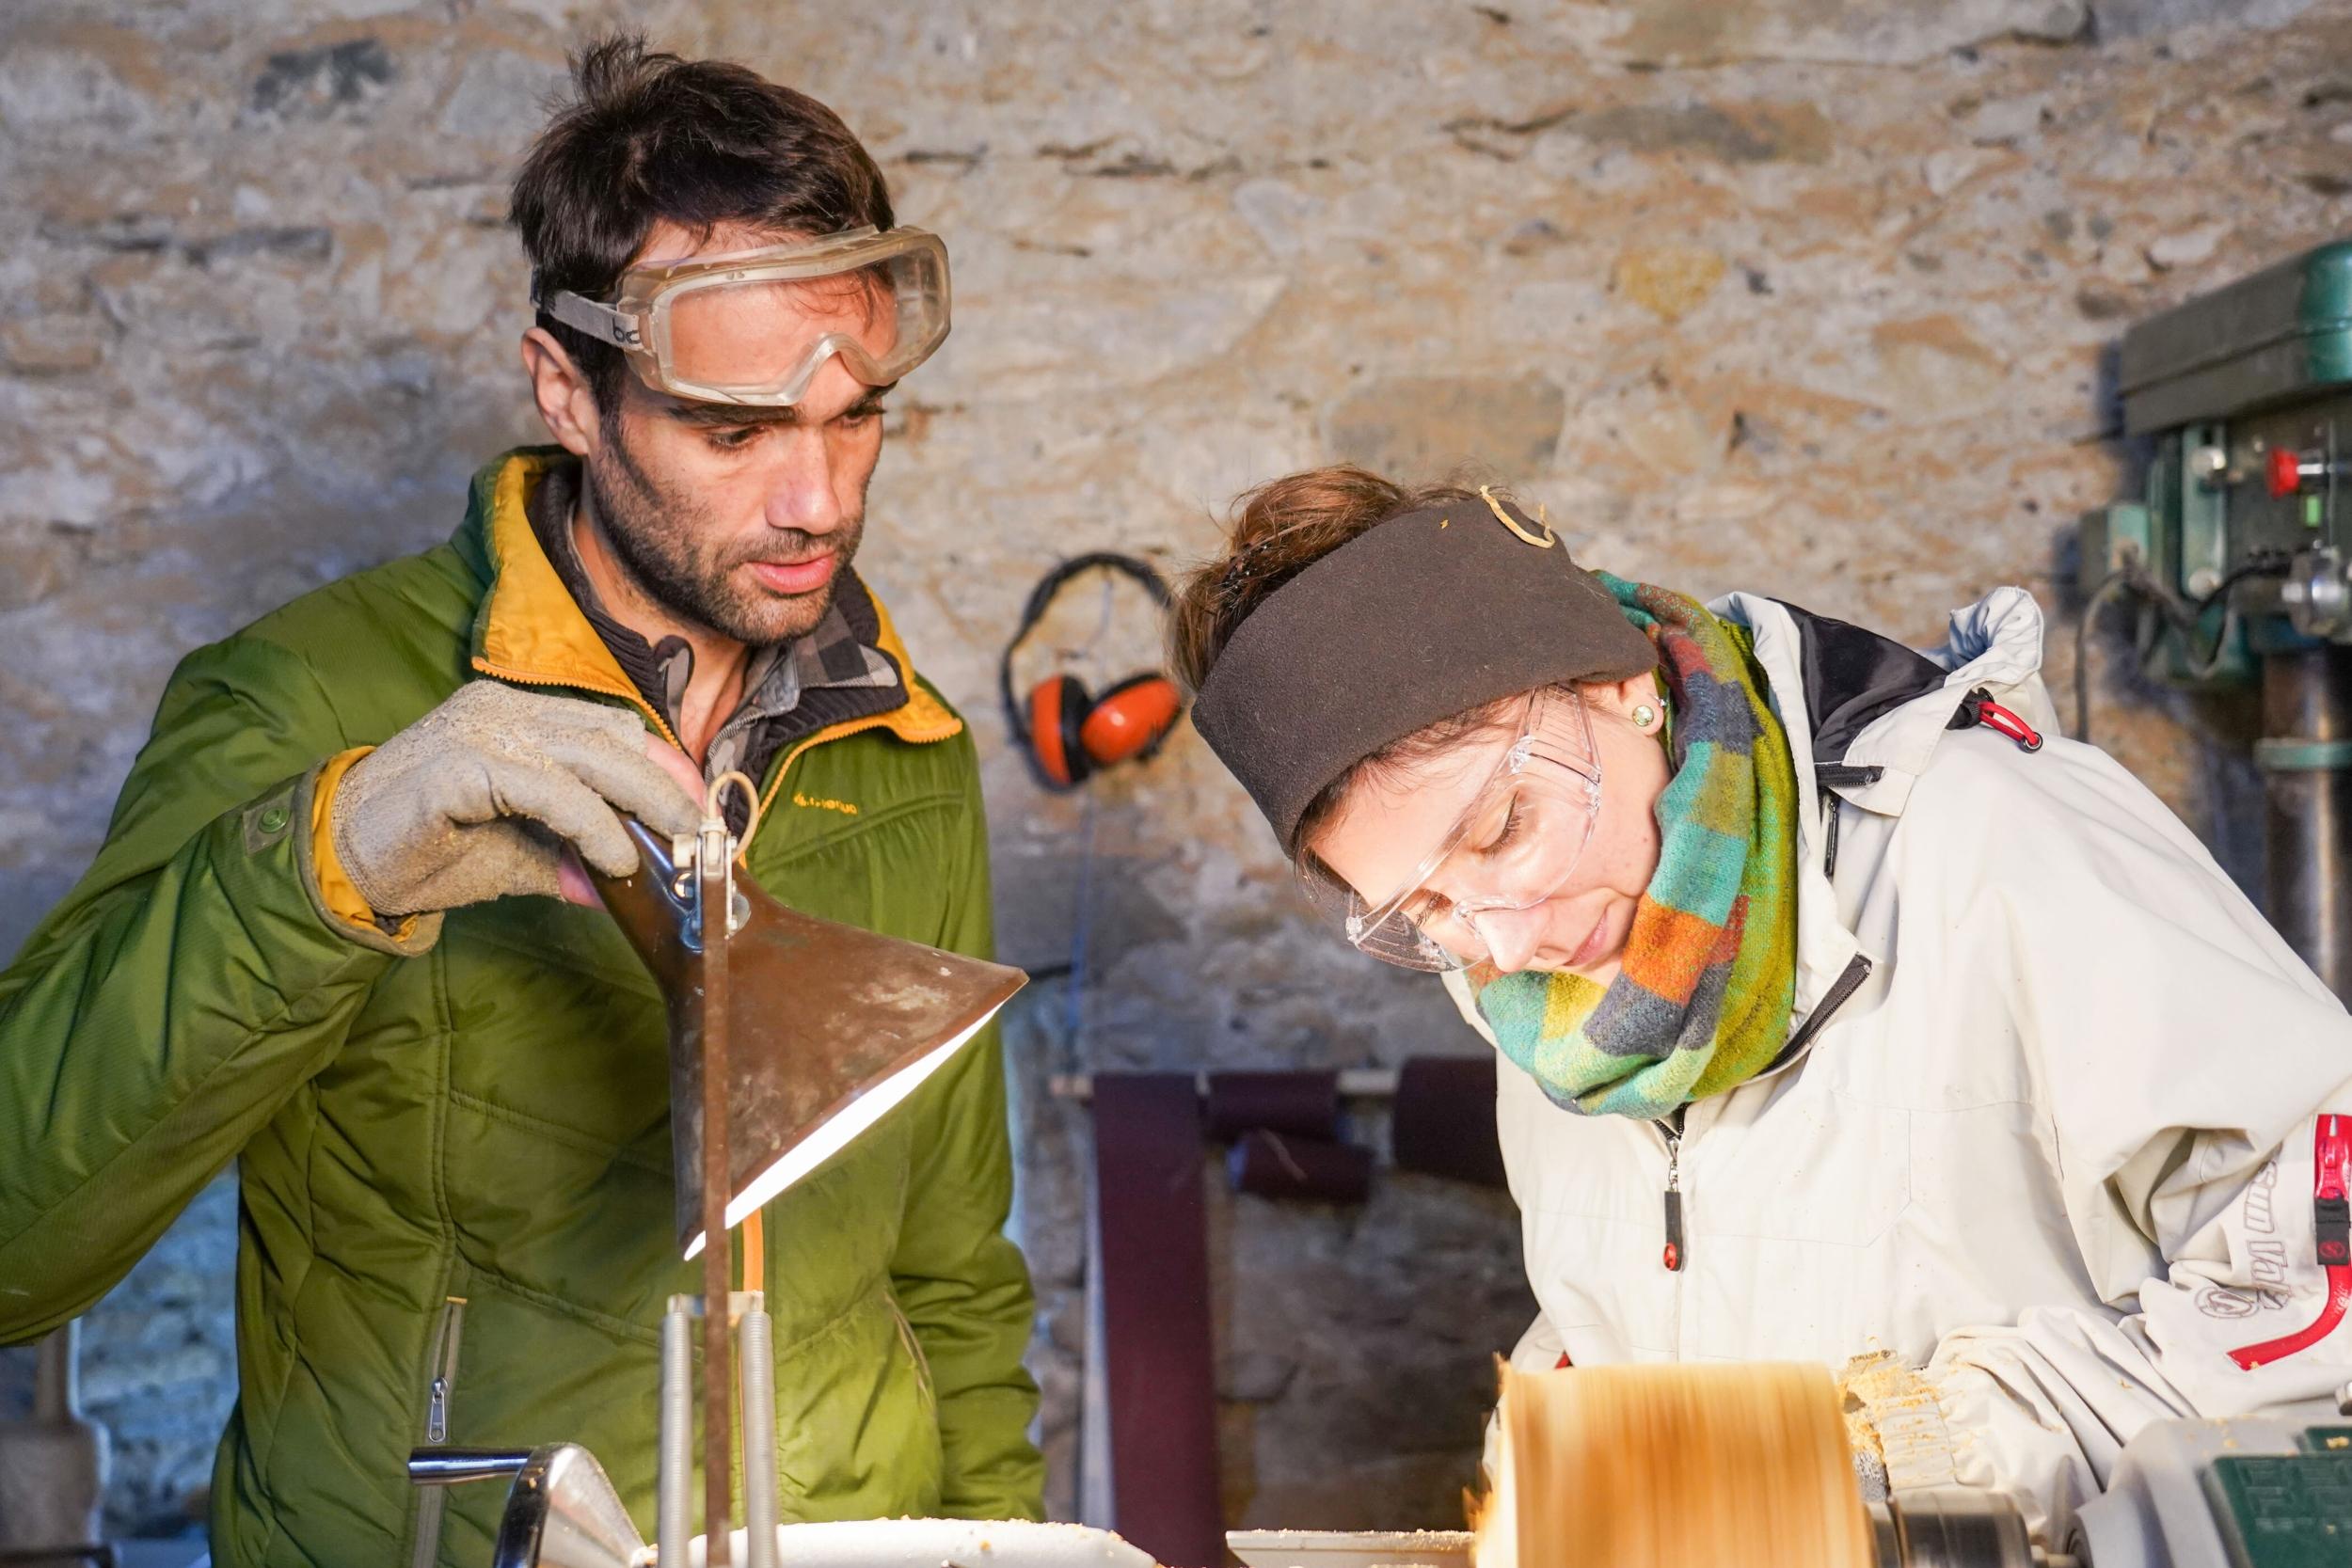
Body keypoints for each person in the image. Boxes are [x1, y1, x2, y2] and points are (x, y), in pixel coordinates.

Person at [0, 37, 1042, 1566]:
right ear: (570, 390)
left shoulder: (906, 741)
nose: (819, 498)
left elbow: (951, 1273)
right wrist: (330, 860)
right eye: (736, 431)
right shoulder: (302, 701)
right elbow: (17, 1244)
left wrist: (1002, 1546)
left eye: (857, 413)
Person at [1172, 464, 2352, 1544]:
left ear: (1615, 685)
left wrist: (1868, 1466)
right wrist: (1571, 1458)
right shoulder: (1524, 979)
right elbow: (1641, 1302)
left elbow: (2317, 1293)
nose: (1505, 939)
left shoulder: (1990, 844)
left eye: (1501, 828)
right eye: (1424, 906)